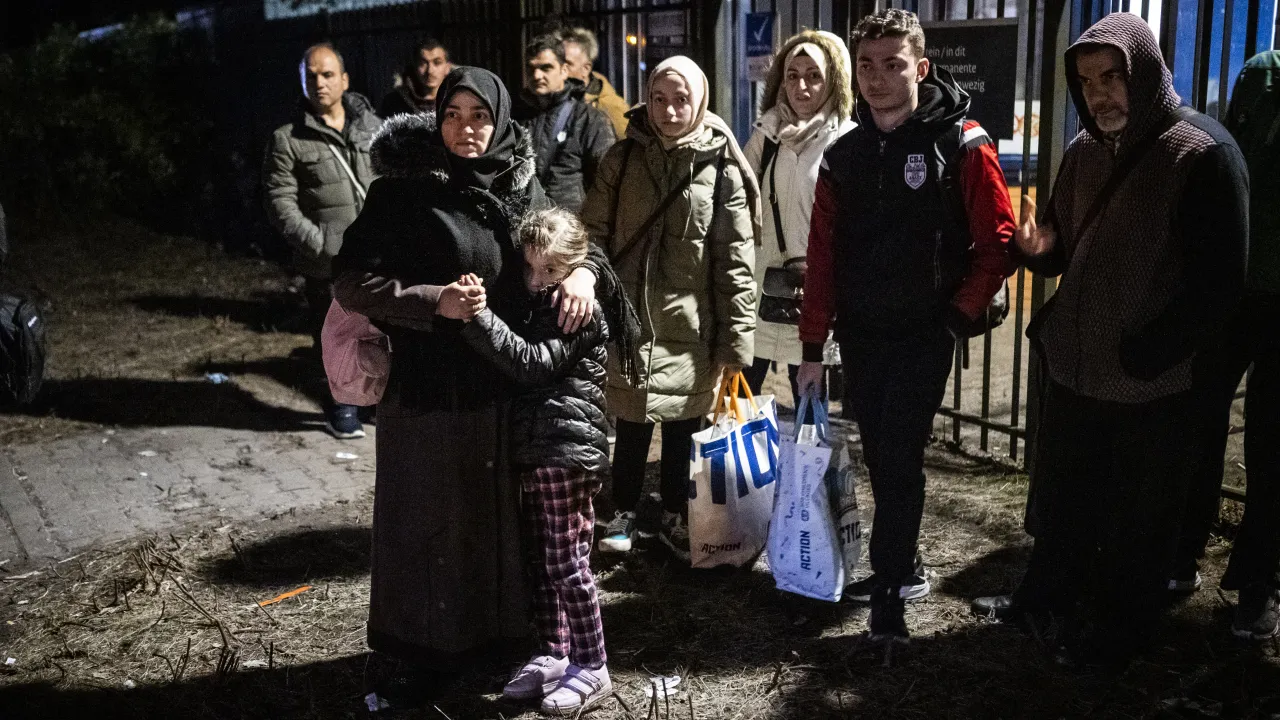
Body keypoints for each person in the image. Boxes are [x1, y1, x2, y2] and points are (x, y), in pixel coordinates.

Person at [971, 13, 1249, 667]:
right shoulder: (1085, 149)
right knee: (1066, 504)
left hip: (1153, 384)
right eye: (1088, 81)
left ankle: (1120, 637)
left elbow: (1219, 288)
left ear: (1145, 71)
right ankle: (1042, 603)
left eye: (1112, 77)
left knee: (1139, 522)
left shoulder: (1204, 153)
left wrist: (1150, 353)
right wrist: (1038, 250)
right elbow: (1063, 245)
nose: (1099, 94)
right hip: (1077, 370)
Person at [332, 66, 602, 701]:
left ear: (501, 119)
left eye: (479, 115)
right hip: (430, 394)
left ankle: (505, 647)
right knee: (427, 528)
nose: (465, 129)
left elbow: (574, 245)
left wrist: (583, 274)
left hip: (506, 391)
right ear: (435, 119)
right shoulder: (402, 193)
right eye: (451, 115)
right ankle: (420, 655)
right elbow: (351, 280)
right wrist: (432, 301)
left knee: (501, 533)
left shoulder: (522, 186)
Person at [795, 9, 1015, 643]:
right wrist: (814, 347)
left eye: (893, 64)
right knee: (882, 453)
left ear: (920, 67)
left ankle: (891, 588)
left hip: (925, 333)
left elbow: (996, 241)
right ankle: (902, 564)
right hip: (863, 336)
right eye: (866, 65)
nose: (878, 77)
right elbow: (823, 256)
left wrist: (956, 315)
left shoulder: (961, 142)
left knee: (897, 456)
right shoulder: (845, 155)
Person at [458, 208, 636, 716]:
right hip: (538, 447)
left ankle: (593, 664)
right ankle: (555, 653)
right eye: (531, 268)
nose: (537, 282)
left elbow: (532, 364)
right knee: (542, 562)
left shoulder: (581, 310)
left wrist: (478, 318)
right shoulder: (541, 301)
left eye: (551, 272)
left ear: (575, 266)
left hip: (567, 449)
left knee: (567, 562)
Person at [581, 55, 760, 561]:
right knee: (631, 420)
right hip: (630, 318)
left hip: (690, 324)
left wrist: (735, 339)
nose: (668, 110)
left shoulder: (720, 164)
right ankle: (623, 510)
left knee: (686, 425)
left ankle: (678, 516)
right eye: (659, 99)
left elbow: (734, 259)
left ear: (700, 100)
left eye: (680, 100)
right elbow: (592, 231)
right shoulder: (623, 158)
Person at [1172, 48, 1280, 641]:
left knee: (1272, 439)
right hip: (1236, 282)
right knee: (1197, 417)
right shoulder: (1262, 73)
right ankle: (1182, 551)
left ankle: (1257, 580)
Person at [263, 42, 382, 439]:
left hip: (378, 256)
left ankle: (376, 400)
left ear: (344, 80)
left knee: (382, 329)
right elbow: (280, 202)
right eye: (310, 75)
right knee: (334, 335)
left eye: (327, 74)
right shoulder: (288, 139)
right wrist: (319, 243)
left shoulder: (372, 127)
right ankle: (342, 406)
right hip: (326, 262)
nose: (319, 82)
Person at [740, 29, 855, 413]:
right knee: (740, 411)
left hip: (814, 296)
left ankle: (806, 475)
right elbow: (737, 198)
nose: (801, 86)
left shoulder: (847, 140)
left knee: (809, 411)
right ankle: (747, 476)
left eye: (814, 75)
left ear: (834, 79)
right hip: (760, 291)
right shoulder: (768, 134)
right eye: (792, 75)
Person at [517, 34, 616, 213]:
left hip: (568, 229)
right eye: (531, 69)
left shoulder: (590, 119)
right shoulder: (515, 115)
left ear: (564, 70)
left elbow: (608, 183)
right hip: (524, 223)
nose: (537, 75)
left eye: (546, 68)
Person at [560, 27, 630, 138]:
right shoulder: (555, 98)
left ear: (586, 69)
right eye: (558, 62)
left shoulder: (612, 107)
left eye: (568, 64)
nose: (560, 69)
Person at [378, 38, 451, 117]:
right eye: (423, 63)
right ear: (415, 67)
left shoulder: (458, 100)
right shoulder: (395, 102)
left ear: (447, 67)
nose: (430, 71)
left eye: (437, 63)